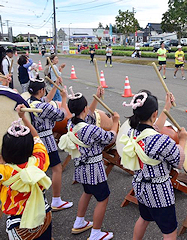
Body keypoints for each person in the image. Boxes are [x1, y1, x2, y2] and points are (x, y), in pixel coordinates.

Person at [120, 90, 187, 240]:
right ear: (154, 114)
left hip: (140, 187)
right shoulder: (160, 141)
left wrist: (167, 107)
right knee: (170, 231)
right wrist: (182, 140)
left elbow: (153, 128)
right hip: (159, 192)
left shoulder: (132, 133)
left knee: (144, 219)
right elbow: (178, 160)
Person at [59, 86, 119, 240]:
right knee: (103, 197)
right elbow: (110, 138)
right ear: (84, 109)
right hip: (94, 170)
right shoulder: (90, 130)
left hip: (81, 167)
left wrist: (95, 98)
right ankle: (96, 233)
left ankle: (79, 222)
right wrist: (115, 122)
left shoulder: (70, 124)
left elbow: (88, 115)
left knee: (87, 192)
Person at [1, 104, 53, 239]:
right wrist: (24, 118)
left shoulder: (5, 172)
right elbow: (37, 139)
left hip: (19, 222)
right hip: (43, 215)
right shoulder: (38, 162)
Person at [27, 78, 74, 212]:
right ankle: (56, 200)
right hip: (46, 139)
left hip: (35, 140)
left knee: (38, 169)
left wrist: (56, 85)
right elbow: (62, 115)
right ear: (41, 90)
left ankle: (37, 200)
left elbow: (46, 100)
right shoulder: (44, 107)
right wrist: (64, 99)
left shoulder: (30, 102)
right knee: (56, 169)